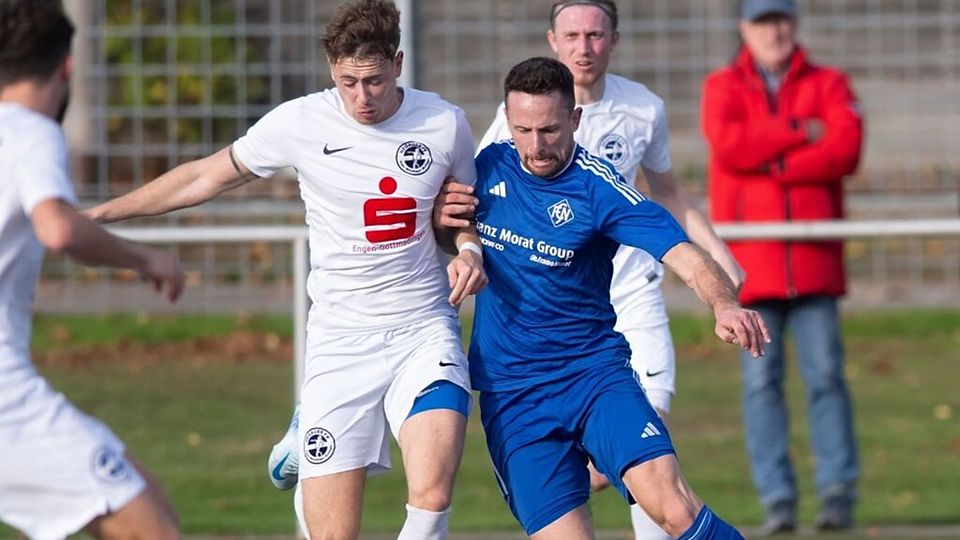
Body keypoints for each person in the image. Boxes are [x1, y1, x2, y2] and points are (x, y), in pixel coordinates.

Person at [85, 1, 487, 538]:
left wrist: (468, 249)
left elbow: (455, 219)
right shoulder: (300, 122)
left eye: (372, 80)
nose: (361, 98)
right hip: (340, 343)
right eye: (347, 82)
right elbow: (204, 177)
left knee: (432, 494)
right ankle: (308, 425)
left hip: (422, 329)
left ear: (398, 62)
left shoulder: (445, 124)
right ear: (331, 70)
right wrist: (99, 214)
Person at [459, 3, 745, 537]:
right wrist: (462, 247)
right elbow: (429, 216)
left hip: (593, 377)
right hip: (512, 392)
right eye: (523, 129)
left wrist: (723, 301)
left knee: (673, 509)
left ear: (575, 120)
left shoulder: (599, 188)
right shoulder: (485, 166)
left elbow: (681, 250)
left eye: (548, 130)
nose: (535, 146)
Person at [0, 1, 185, 538]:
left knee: (145, 494)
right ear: (66, 67)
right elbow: (56, 227)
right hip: (8, 406)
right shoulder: (32, 133)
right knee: (153, 529)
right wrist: (145, 259)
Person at [701, 0, 863, 534]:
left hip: (813, 264)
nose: (775, 30)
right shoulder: (722, 86)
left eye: (782, 19)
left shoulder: (831, 81)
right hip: (753, 269)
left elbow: (845, 148)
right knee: (760, 385)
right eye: (763, 21)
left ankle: (837, 492)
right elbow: (729, 146)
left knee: (825, 378)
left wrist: (770, 159)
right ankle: (778, 498)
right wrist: (800, 129)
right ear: (745, 28)